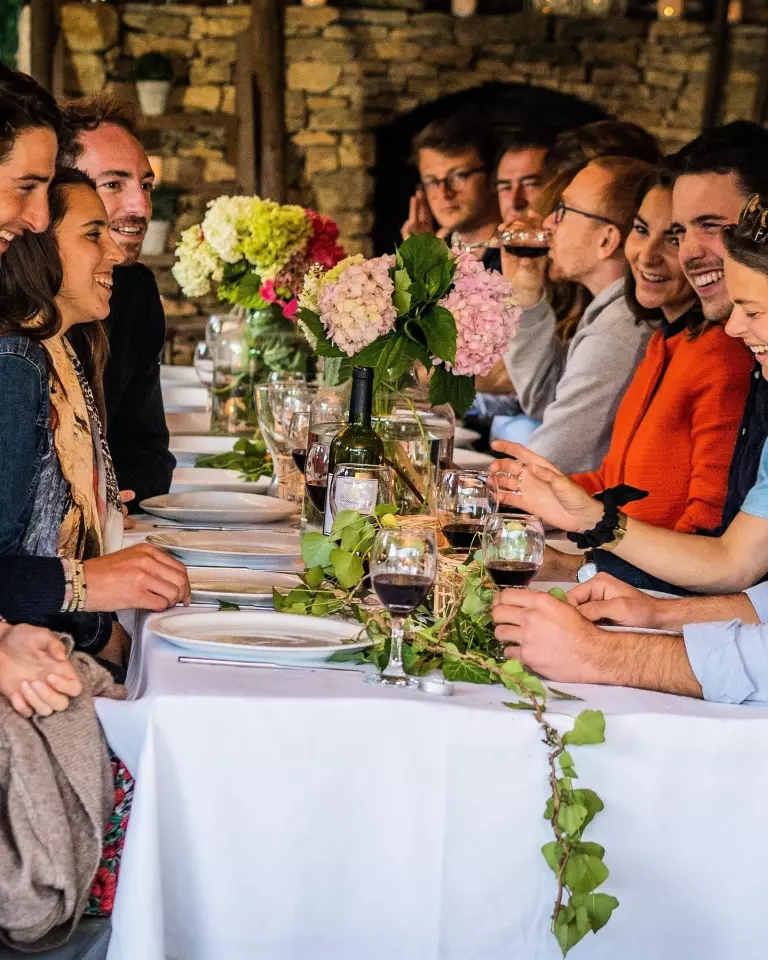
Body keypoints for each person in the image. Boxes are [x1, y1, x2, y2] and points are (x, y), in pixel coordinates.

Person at [491, 122, 768, 592]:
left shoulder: (725, 352)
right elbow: (620, 482)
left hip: (659, 588)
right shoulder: (667, 341)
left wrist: (590, 565)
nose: (681, 252)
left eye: (707, 227)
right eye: (652, 231)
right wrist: (546, 518)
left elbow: (709, 534)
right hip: (637, 574)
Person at [0, 168, 190, 675]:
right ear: (38, 248)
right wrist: (95, 611)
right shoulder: (16, 365)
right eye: (91, 235)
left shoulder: (59, 351)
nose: (114, 254)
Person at [565, 171, 752, 532]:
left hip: (656, 567)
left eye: (672, 238)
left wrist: (597, 561)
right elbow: (613, 484)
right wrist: (513, 490)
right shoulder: (663, 343)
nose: (648, 256)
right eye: (641, 230)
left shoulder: (722, 354)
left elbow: (705, 522)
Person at [491, 156, 654, 472]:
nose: (548, 223)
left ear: (606, 240)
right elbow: (544, 398)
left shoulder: (618, 331)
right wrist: (525, 298)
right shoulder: (609, 313)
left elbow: (551, 465)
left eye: (563, 211)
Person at [58, 97, 174, 511]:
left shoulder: (134, 290)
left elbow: (146, 448)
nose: (141, 206)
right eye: (113, 184)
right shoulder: (17, 305)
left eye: (146, 185)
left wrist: (112, 504)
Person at [400, 110, 500, 266]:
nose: (444, 193)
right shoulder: (436, 250)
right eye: (432, 182)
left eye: (459, 176)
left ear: (493, 178)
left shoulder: (519, 251)